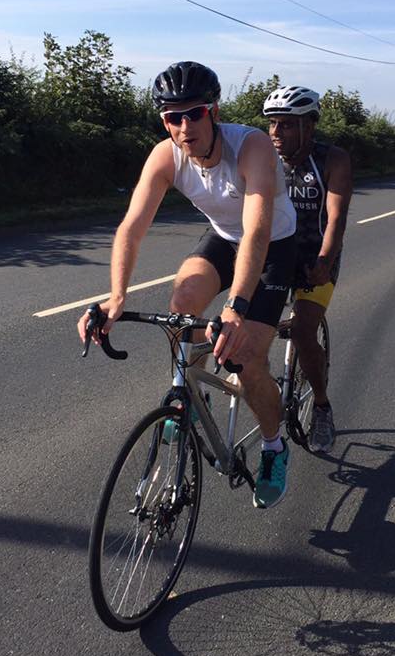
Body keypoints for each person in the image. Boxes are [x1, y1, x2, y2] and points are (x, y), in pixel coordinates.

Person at [78, 61, 297, 509]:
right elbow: (131, 228)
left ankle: (275, 447)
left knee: (248, 356)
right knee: (182, 305)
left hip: (273, 244)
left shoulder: (251, 146)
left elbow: (255, 232)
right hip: (223, 236)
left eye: (193, 113)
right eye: (172, 117)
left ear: (213, 112)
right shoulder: (166, 155)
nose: (183, 125)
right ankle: (191, 392)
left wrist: (236, 307)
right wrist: (117, 296)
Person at [263, 85, 353, 453]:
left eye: (285, 125)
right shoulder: (264, 159)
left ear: (309, 127)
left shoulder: (333, 160)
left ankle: (321, 405)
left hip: (317, 257)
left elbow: (336, 219)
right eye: (272, 125)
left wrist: (324, 261)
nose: (275, 133)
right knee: (244, 326)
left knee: (302, 331)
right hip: (276, 255)